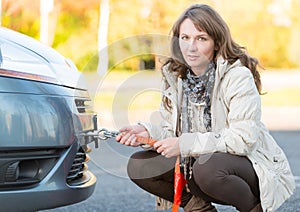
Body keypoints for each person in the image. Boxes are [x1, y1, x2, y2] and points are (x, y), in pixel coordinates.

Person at [115, 4, 295, 212]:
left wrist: (184, 145)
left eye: (201, 38)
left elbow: (243, 139)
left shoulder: (237, 77)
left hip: (248, 166)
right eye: (185, 38)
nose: (191, 47)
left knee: (206, 169)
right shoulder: (175, 76)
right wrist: (147, 132)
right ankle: (199, 209)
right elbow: (172, 131)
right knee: (140, 165)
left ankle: (254, 209)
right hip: (198, 161)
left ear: (216, 42)